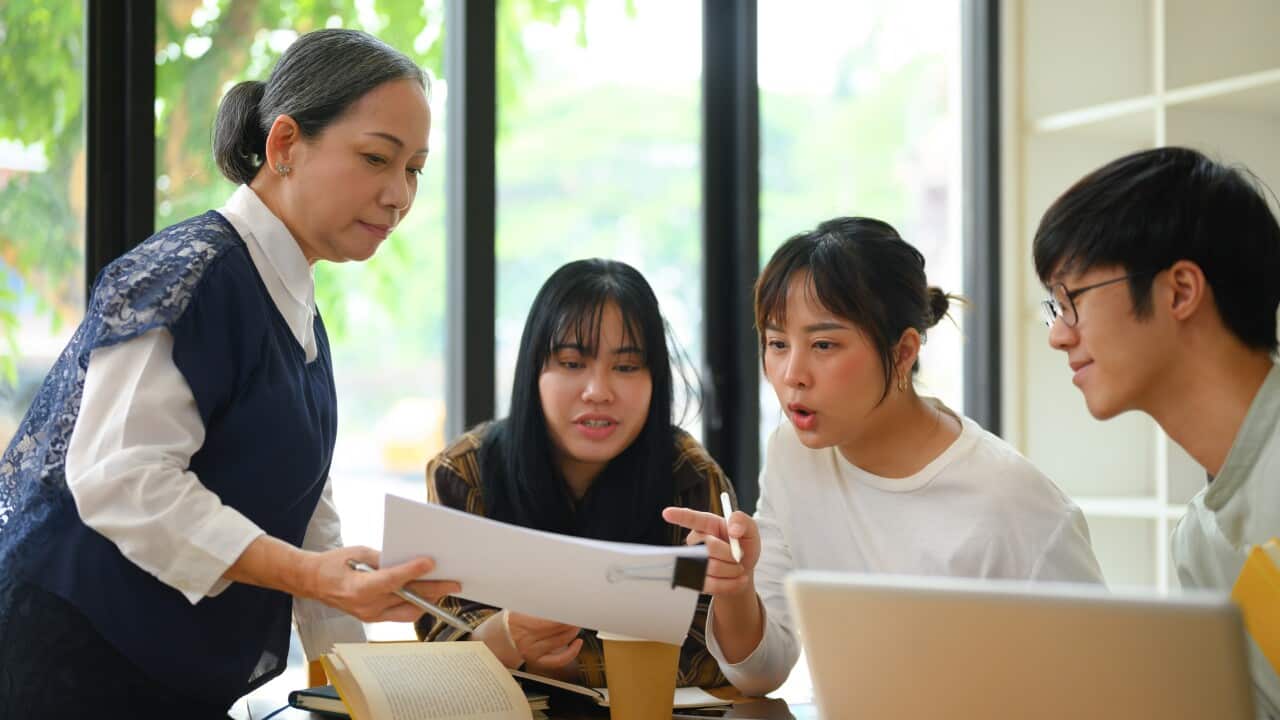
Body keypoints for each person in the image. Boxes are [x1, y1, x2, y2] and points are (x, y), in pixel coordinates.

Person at [0, 29, 459, 717]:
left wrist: (356, 691)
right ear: (283, 147)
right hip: (71, 671)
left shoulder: (294, 304)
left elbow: (311, 521)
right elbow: (122, 479)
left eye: (416, 169)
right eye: (375, 158)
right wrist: (314, 576)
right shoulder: (191, 273)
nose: (399, 195)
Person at [664, 216, 1104, 696]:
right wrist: (736, 587)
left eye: (824, 344)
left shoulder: (1014, 501)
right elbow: (760, 672)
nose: (792, 374)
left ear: (902, 353)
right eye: (776, 344)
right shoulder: (793, 455)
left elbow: (1101, 686)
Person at [1032, 146, 1280, 717]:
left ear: (1180, 291)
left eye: (1071, 300)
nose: (1058, 336)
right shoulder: (1201, 539)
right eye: (1053, 307)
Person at [417, 258, 731, 690]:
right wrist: (509, 635)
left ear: (656, 378)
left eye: (625, 367)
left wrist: (565, 665)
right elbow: (439, 634)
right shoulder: (465, 471)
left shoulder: (689, 477)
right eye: (570, 363)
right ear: (534, 371)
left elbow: (712, 648)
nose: (598, 391)